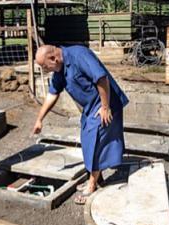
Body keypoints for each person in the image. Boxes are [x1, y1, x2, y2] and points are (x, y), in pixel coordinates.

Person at [32, 45, 129, 205]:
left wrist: (105, 107)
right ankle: (98, 178)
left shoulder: (79, 55)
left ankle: (92, 184)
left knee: (96, 139)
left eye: (44, 66)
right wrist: (39, 119)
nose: (44, 70)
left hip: (106, 102)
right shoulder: (59, 69)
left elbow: (101, 78)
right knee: (87, 138)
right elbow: (52, 94)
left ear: (53, 59)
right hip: (90, 107)